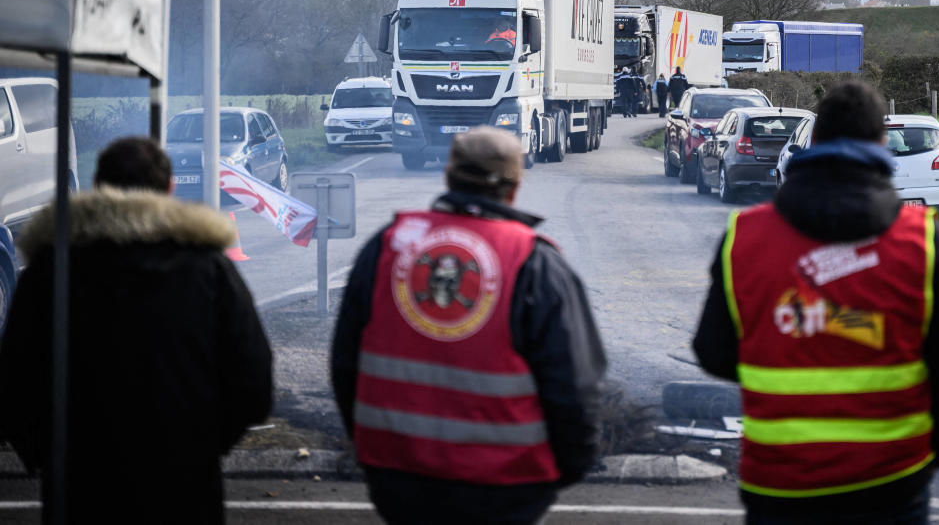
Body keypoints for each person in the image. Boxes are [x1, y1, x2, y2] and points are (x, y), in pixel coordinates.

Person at [693, 81, 939, 525]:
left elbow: (713, 352)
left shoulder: (744, 236)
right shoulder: (922, 239)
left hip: (780, 481)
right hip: (891, 478)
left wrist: (786, 348)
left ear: (815, 141)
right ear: (881, 144)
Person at [331, 126, 607, 525]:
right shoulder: (535, 263)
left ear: (448, 176)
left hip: (397, 480)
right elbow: (575, 387)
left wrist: (371, 449)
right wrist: (565, 469)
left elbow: (345, 363)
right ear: (515, 186)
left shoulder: (387, 247)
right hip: (506, 488)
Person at [0, 136, 272, 523]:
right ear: (170, 189)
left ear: (97, 188)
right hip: (184, 486)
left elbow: (14, 379)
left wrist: (45, 455)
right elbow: (254, 383)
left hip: (80, 488)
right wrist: (203, 446)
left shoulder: (50, 271)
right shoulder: (209, 271)